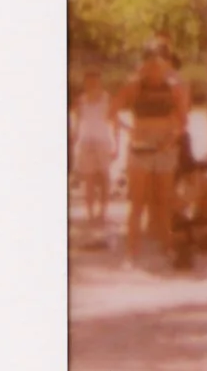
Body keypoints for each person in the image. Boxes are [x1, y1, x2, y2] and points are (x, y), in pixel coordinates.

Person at [112, 37, 191, 264]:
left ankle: (166, 248)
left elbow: (182, 120)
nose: (155, 67)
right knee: (137, 202)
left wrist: (171, 138)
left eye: (160, 62)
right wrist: (130, 131)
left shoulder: (174, 87)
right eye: (151, 62)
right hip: (141, 146)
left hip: (165, 146)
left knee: (164, 200)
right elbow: (112, 112)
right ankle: (131, 253)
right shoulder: (134, 85)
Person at [71, 72, 118, 236]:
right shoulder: (81, 100)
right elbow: (76, 123)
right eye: (89, 82)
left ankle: (103, 212)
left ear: (100, 83)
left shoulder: (107, 99)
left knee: (104, 178)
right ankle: (90, 214)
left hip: (103, 141)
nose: (92, 85)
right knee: (89, 180)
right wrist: (74, 143)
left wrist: (117, 145)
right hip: (86, 142)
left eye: (95, 82)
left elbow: (115, 123)